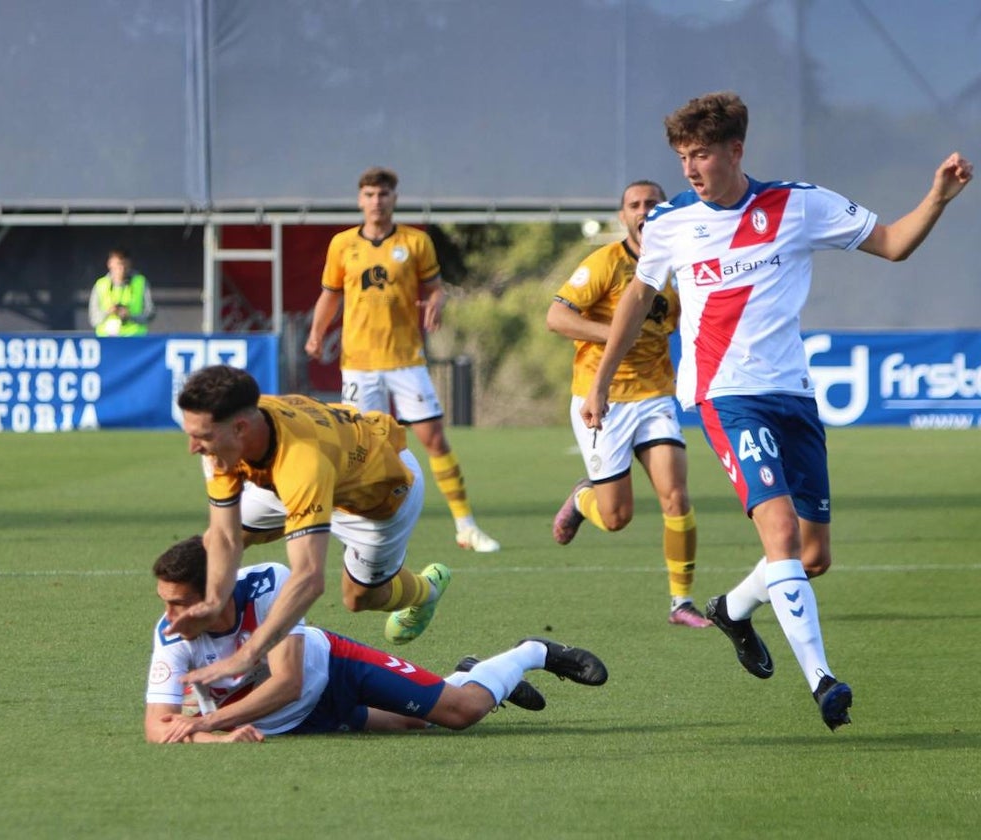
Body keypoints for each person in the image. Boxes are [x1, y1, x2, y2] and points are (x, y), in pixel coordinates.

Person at [581, 91, 973, 731]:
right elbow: (637, 298)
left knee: (813, 556)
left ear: (736, 150)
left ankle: (732, 610)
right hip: (723, 396)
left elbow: (894, 244)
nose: (689, 168)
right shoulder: (671, 223)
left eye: (700, 153)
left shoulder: (797, 204)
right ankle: (823, 680)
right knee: (782, 536)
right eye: (682, 156)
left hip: (792, 395)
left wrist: (937, 198)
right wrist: (599, 380)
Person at [143, 536, 608, 743]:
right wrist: (218, 738)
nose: (170, 617)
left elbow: (286, 682)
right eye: (165, 602)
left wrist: (208, 723)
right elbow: (158, 727)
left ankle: (534, 652)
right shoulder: (170, 635)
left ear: (216, 590)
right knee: (417, 724)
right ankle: (469, 673)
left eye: (181, 603)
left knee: (462, 714)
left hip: (338, 670)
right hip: (298, 722)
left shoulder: (268, 584)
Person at [173, 364, 455, 693]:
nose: (193, 447)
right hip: (298, 479)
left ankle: (427, 591)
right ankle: (212, 661)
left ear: (239, 428)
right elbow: (224, 535)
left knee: (359, 597)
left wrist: (249, 654)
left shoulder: (301, 463)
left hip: (378, 495)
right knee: (212, 547)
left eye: (202, 437)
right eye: (190, 433)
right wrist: (211, 603)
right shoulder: (229, 436)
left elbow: (308, 578)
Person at [305, 166, 500, 554]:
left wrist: (435, 303)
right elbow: (330, 293)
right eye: (370, 195)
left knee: (434, 439)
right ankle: (360, 530)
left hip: (406, 360)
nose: (377, 202)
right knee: (360, 448)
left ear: (395, 198)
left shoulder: (415, 241)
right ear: (360, 199)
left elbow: (434, 288)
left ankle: (466, 526)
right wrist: (316, 332)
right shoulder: (342, 244)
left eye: (384, 194)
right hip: (359, 362)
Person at [547, 180, 711, 629]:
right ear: (623, 216)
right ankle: (583, 500)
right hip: (602, 398)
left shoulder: (681, 265)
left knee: (676, 496)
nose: (644, 210)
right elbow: (556, 317)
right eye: (634, 204)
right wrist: (616, 335)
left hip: (655, 395)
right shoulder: (605, 263)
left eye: (652, 203)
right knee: (616, 517)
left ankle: (681, 602)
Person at [88, 247, 155, 336]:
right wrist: (108, 312)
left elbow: (150, 313)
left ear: (129, 264)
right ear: (109, 264)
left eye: (124, 264)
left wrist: (130, 316)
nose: (121, 268)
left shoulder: (140, 282)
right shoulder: (100, 285)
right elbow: (93, 319)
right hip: (107, 340)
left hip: (135, 340)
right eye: (118, 264)